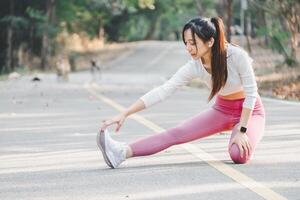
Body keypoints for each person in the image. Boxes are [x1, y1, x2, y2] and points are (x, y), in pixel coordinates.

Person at [97, 16, 265, 169]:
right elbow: (163, 91)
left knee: (238, 155)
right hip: (223, 110)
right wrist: (125, 113)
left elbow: (251, 93)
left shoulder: (236, 56)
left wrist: (242, 130)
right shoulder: (195, 66)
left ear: (210, 41)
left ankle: (242, 132)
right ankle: (120, 152)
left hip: (251, 112)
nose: (189, 48)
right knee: (176, 133)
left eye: (193, 43)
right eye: (186, 43)